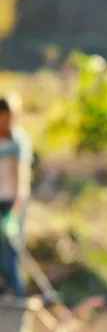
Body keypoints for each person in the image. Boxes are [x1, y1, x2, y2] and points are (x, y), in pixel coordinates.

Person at [0, 92, 33, 299]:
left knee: (9, 255)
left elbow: (21, 182)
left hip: (12, 203)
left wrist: (13, 216)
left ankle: (17, 299)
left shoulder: (18, 141)